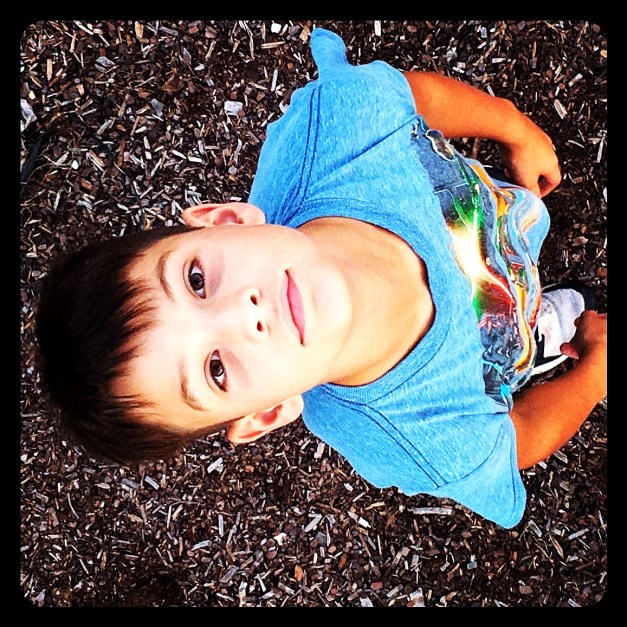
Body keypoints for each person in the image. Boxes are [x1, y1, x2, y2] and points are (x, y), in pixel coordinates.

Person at [35, 28, 607, 528]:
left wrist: (513, 127)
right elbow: (519, 439)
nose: (245, 313)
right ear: (267, 413)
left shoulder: (337, 131)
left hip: (500, 212)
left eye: (196, 281)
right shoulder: (427, 436)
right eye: (215, 370)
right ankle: (546, 328)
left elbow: (411, 98)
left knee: (520, 231)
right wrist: (595, 376)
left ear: (228, 220)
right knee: (519, 339)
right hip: (496, 347)